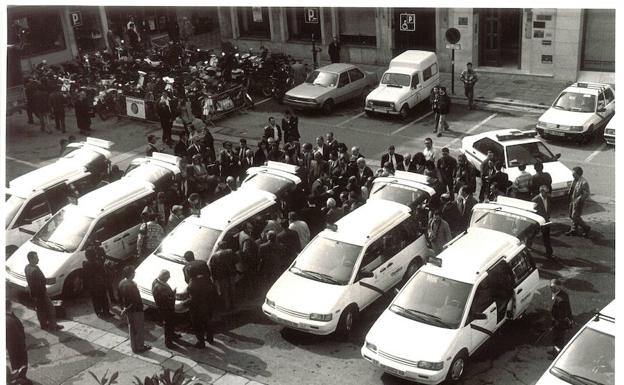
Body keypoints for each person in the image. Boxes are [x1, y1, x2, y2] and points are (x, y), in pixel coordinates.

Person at [24, 251, 62, 331]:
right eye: (36, 257)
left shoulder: (27, 268)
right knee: (51, 309)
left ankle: (43, 325)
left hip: (34, 294)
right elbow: (41, 283)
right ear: (31, 259)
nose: (38, 259)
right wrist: (49, 282)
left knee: (40, 310)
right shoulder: (35, 271)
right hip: (41, 294)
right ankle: (53, 325)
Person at [119, 266, 151, 353]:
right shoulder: (132, 285)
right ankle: (140, 347)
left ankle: (134, 346)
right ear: (131, 274)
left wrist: (124, 308)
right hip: (136, 310)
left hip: (128, 310)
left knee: (131, 328)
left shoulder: (121, 283)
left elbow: (120, 297)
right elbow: (135, 301)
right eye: (134, 272)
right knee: (139, 329)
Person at [187, 269, 217, 349]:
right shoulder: (206, 280)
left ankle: (201, 342)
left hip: (197, 309)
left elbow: (192, 299)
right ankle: (210, 338)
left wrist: (186, 304)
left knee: (198, 326)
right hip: (208, 307)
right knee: (208, 323)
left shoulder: (191, 285)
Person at [82, 247, 114, 318]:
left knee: (95, 299)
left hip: (91, 286)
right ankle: (106, 312)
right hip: (99, 284)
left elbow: (85, 276)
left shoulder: (85, 264)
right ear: (94, 255)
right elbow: (104, 273)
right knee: (104, 299)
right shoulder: (97, 264)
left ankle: (98, 312)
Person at [152, 270, 179, 349]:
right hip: (166, 309)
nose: (168, 278)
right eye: (167, 277)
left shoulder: (156, 281)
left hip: (165, 308)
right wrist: (173, 295)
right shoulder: (160, 287)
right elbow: (166, 300)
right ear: (163, 277)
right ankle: (168, 342)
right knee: (168, 324)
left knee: (171, 322)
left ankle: (172, 335)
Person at [549, 279, 573, 357]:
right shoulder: (562, 294)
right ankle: (555, 352)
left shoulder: (561, 300)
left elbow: (562, 315)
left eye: (554, 287)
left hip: (560, 324)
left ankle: (557, 356)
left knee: (558, 340)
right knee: (557, 339)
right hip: (559, 323)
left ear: (559, 287)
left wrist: (555, 323)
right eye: (551, 287)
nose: (552, 289)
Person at [209, 241, 236, 311]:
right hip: (231, 274)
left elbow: (212, 267)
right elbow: (236, 260)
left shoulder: (215, 256)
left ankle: (227, 307)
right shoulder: (230, 252)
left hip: (221, 276)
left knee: (225, 292)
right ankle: (234, 305)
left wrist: (214, 278)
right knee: (232, 290)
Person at [566, 166, 591, 237]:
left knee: (575, 216)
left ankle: (585, 227)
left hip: (578, 202)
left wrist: (579, 199)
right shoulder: (574, 180)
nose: (572, 175)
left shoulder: (584, 182)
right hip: (572, 200)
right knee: (571, 215)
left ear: (578, 174)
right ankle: (574, 230)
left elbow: (586, 193)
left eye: (573, 173)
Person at [6, 300, 29, 378]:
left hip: (12, 349)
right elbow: (18, 337)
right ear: (9, 307)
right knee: (21, 366)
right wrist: (23, 347)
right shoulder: (9, 321)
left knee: (16, 365)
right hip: (18, 349)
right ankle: (21, 379)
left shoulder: (9, 316)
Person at [532, 185, 554, 259]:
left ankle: (549, 253)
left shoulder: (549, 198)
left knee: (546, 237)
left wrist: (548, 216)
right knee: (532, 234)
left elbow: (550, 208)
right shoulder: (535, 200)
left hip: (545, 221)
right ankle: (528, 244)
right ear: (541, 191)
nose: (547, 194)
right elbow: (533, 212)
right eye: (545, 192)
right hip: (537, 221)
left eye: (547, 192)